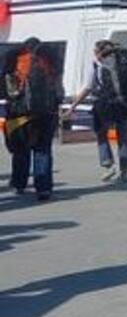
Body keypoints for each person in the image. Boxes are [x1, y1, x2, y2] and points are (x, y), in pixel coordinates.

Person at [65, 40, 127, 183]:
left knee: (101, 134)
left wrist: (73, 106)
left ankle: (108, 164)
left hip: (105, 105)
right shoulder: (126, 63)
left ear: (99, 52)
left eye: (95, 51)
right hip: (125, 105)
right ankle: (124, 171)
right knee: (123, 138)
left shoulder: (96, 66)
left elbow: (88, 88)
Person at [2, 37, 62, 200]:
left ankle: (18, 184)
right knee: (42, 150)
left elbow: (11, 92)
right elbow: (58, 92)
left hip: (20, 115)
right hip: (46, 115)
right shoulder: (48, 63)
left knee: (21, 150)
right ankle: (43, 188)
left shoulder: (18, 63)